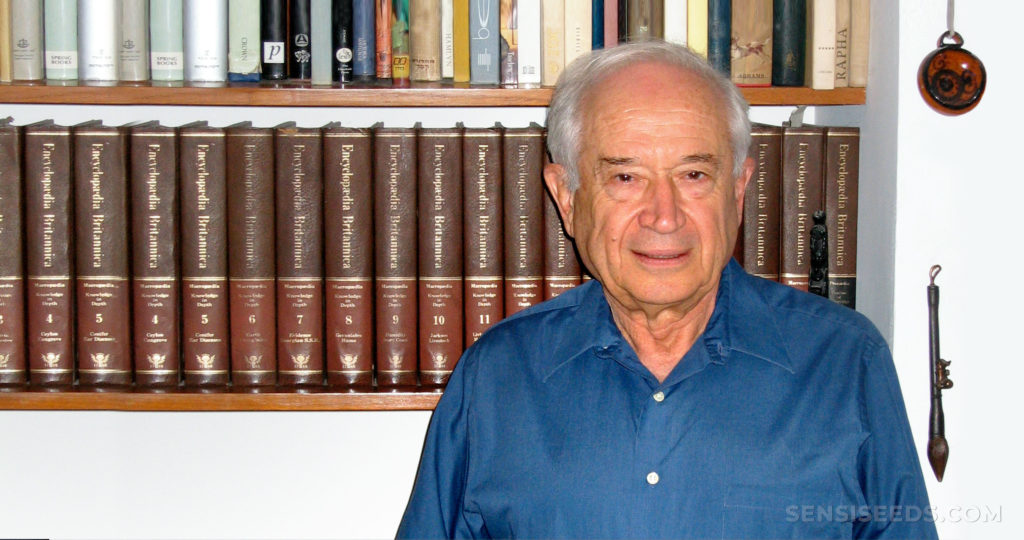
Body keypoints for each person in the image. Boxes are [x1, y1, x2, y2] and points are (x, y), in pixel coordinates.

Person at [397, 41, 937, 539]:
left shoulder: (844, 363)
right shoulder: (497, 376)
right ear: (566, 196)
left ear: (739, 189)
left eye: (694, 175)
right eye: (625, 178)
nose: (663, 216)